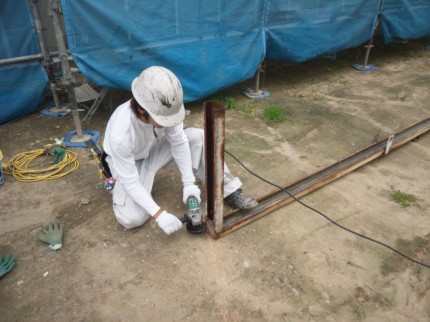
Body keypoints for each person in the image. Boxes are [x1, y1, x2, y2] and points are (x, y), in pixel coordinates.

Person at [103, 66, 258, 235]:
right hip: (130, 161)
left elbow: (178, 142)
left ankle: (228, 190)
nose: (170, 122)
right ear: (141, 109)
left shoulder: (167, 106)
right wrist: (159, 214)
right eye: (164, 120)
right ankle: (122, 188)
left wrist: (189, 184)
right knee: (132, 219)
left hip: (153, 147)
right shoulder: (121, 134)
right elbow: (131, 182)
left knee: (199, 137)